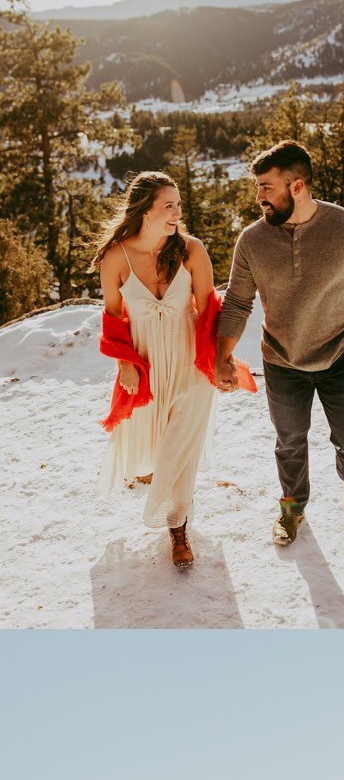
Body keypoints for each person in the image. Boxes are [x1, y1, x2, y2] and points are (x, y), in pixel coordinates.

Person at [215, 140, 344, 546]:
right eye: (258, 187)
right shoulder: (251, 241)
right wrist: (221, 355)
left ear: (297, 187)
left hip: (340, 357)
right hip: (282, 361)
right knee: (289, 441)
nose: (259, 197)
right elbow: (237, 302)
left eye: (267, 187)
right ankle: (291, 509)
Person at [97, 173, 219, 570]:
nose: (178, 213)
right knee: (159, 438)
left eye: (179, 206)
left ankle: (177, 526)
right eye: (169, 206)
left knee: (180, 444)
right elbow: (113, 319)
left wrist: (221, 360)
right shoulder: (117, 258)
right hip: (148, 362)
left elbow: (211, 312)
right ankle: (170, 502)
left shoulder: (191, 251)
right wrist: (126, 364)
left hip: (190, 361)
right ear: (145, 210)